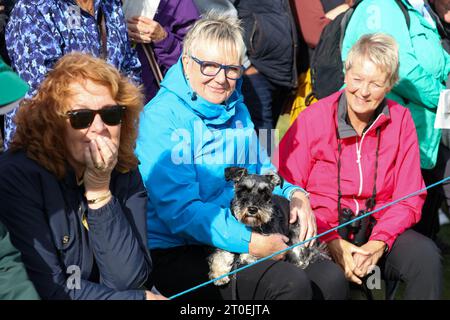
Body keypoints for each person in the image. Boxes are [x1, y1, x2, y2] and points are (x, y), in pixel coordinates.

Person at [135, 12, 348, 300]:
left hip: (247, 231)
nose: (221, 79)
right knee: (289, 284)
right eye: (209, 66)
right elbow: (181, 213)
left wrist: (297, 193)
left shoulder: (238, 108)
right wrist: (250, 244)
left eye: (231, 69)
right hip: (182, 247)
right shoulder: (162, 118)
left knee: (329, 278)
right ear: (186, 63)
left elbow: (263, 168)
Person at [277, 33, 443, 299]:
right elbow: (285, 185)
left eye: (376, 83)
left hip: (379, 232)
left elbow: (409, 196)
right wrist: (331, 240)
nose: (363, 92)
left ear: (390, 85)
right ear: (345, 73)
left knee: (425, 257)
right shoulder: (313, 118)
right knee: (330, 281)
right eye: (357, 79)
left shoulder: (401, 121)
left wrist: (379, 243)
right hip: (321, 235)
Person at [0, 53, 165, 300]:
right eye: (82, 118)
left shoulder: (122, 168)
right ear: (53, 123)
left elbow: (128, 278)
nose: (99, 128)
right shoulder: (19, 177)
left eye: (111, 114)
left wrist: (99, 192)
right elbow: (50, 287)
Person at [341, 0, 450, 241]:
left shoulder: (418, 8)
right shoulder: (381, 6)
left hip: (425, 134)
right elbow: (403, 68)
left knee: (420, 229)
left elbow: (440, 60)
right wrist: (445, 98)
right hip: (389, 135)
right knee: (386, 230)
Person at [3, 0, 141, 147]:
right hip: (49, 145)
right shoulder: (34, 9)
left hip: (105, 135)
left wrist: (111, 117)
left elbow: (130, 67)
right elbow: (43, 90)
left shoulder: (110, 5)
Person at [124, 0, 199, 103]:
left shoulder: (176, 3)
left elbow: (195, 62)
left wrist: (162, 38)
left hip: (150, 101)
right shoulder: (99, 5)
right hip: (103, 95)